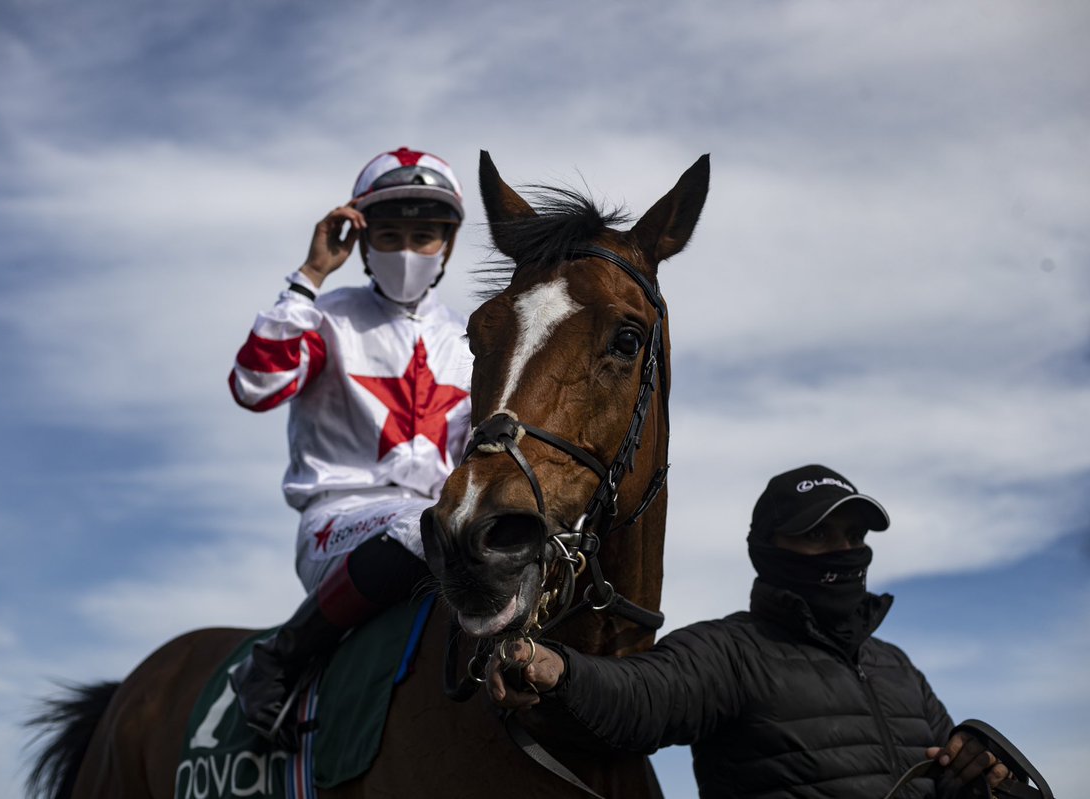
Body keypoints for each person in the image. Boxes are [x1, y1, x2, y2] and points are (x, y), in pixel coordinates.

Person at [490, 464, 1012, 798]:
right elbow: (642, 695)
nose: (844, 550)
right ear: (770, 551)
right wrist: (557, 669)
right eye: (818, 534)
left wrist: (984, 771)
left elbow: (954, 771)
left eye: (853, 534)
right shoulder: (727, 652)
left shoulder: (897, 666)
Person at [227, 147, 473, 744]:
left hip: (441, 531)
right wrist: (308, 278)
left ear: (448, 244)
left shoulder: (471, 342)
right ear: (361, 244)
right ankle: (275, 662)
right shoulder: (325, 318)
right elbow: (254, 387)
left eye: (423, 236)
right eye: (388, 236)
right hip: (338, 521)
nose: (408, 252)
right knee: (427, 525)